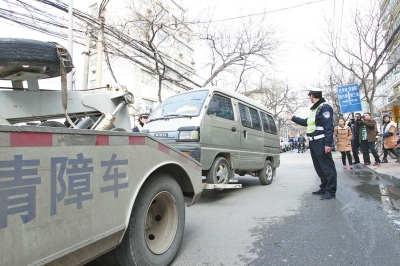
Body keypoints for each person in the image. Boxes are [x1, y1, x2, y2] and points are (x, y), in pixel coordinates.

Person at [287, 89, 337, 200]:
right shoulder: (315, 110)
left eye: (309, 96)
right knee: (319, 167)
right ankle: (324, 187)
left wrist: (328, 144)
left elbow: (329, 127)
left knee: (327, 167)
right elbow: (306, 122)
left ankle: (331, 191)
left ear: (312, 96)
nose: (309, 98)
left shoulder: (325, 107)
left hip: (321, 141)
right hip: (313, 142)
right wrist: (293, 118)